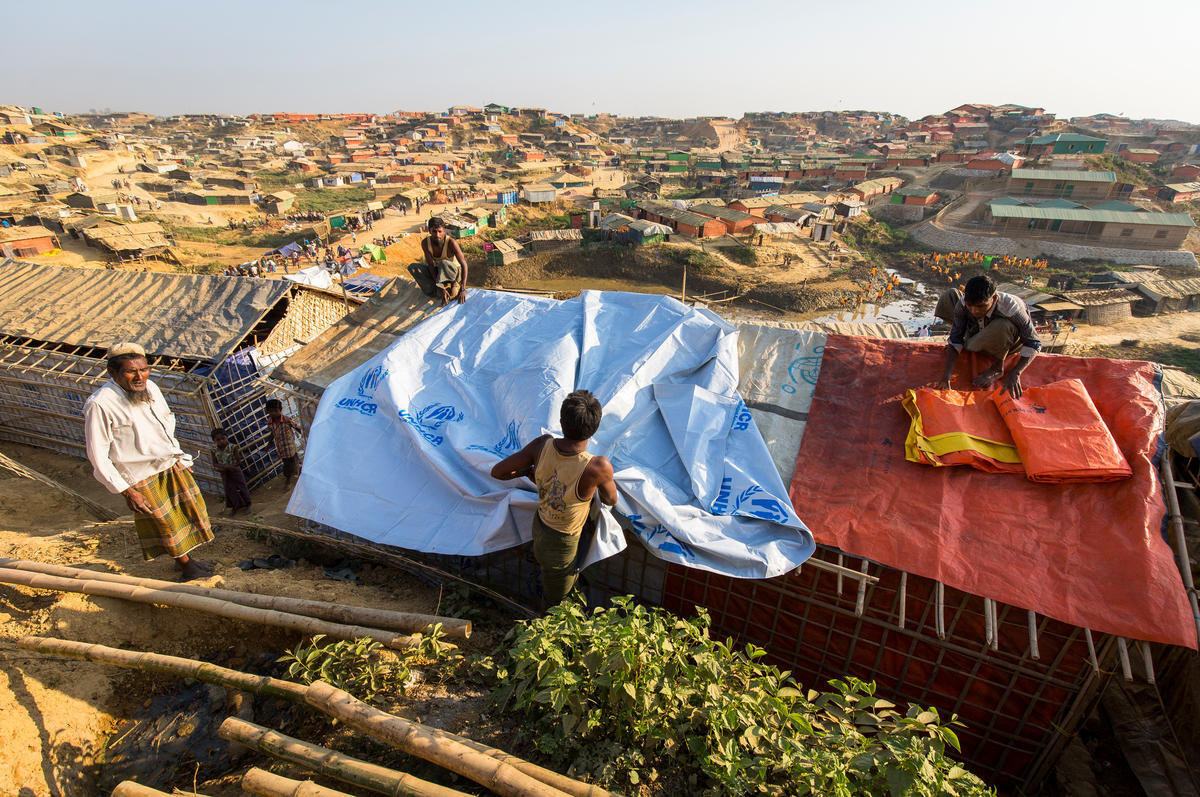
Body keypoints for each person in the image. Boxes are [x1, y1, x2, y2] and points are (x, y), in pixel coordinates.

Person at [84, 342, 214, 581]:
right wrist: (127, 491)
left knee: (185, 515)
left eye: (143, 369)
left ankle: (187, 561)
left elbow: (165, 424)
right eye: (130, 371)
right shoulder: (101, 404)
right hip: (140, 475)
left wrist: (178, 457)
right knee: (166, 525)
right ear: (113, 373)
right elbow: (97, 454)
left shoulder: (151, 388)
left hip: (168, 465)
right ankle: (187, 568)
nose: (139, 376)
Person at [490, 390, 617, 607]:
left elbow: (498, 472)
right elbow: (610, 500)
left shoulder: (543, 445)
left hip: (541, 527)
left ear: (561, 421)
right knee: (558, 602)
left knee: (554, 576)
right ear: (595, 429)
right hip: (562, 544)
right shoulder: (596, 467)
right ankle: (546, 630)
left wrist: (530, 473)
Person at [936, 274, 1041, 399]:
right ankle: (975, 341)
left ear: (994, 298)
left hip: (1009, 340)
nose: (975, 311)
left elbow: (1034, 342)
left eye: (981, 306)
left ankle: (997, 368)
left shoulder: (1011, 308)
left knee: (1003, 325)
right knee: (950, 296)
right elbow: (955, 339)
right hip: (980, 329)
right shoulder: (963, 303)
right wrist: (946, 375)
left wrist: (1016, 372)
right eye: (970, 306)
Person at [409, 217, 468, 305]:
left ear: (444, 231)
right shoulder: (425, 243)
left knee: (443, 263)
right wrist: (440, 286)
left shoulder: (451, 243)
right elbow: (431, 265)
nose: (437, 235)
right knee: (413, 267)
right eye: (434, 231)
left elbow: (464, 265)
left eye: (440, 231)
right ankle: (437, 291)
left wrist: (463, 288)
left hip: (453, 273)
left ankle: (454, 285)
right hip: (439, 273)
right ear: (429, 231)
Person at [211, 428, 252, 515]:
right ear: (214, 441)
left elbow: (238, 461)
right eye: (218, 440)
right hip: (224, 473)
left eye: (223, 438)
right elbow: (214, 463)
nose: (221, 441)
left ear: (227, 437)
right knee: (230, 490)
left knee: (241, 487)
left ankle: (248, 504)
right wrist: (223, 467)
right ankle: (235, 506)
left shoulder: (233, 447)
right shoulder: (214, 450)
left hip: (235, 471)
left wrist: (230, 467)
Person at [265, 398, 303, 487]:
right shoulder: (270, 423)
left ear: (280, 410)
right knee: (287, 463)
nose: (273, 413)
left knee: (293, 461)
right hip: (281, 447)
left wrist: (304, 435)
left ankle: (290, 478)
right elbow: (273, 433)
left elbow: (296, 427)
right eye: (270, 411)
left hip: (290, 446)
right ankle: (291, 476)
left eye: (275, 411)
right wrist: (269, 444)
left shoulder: (287, 420)